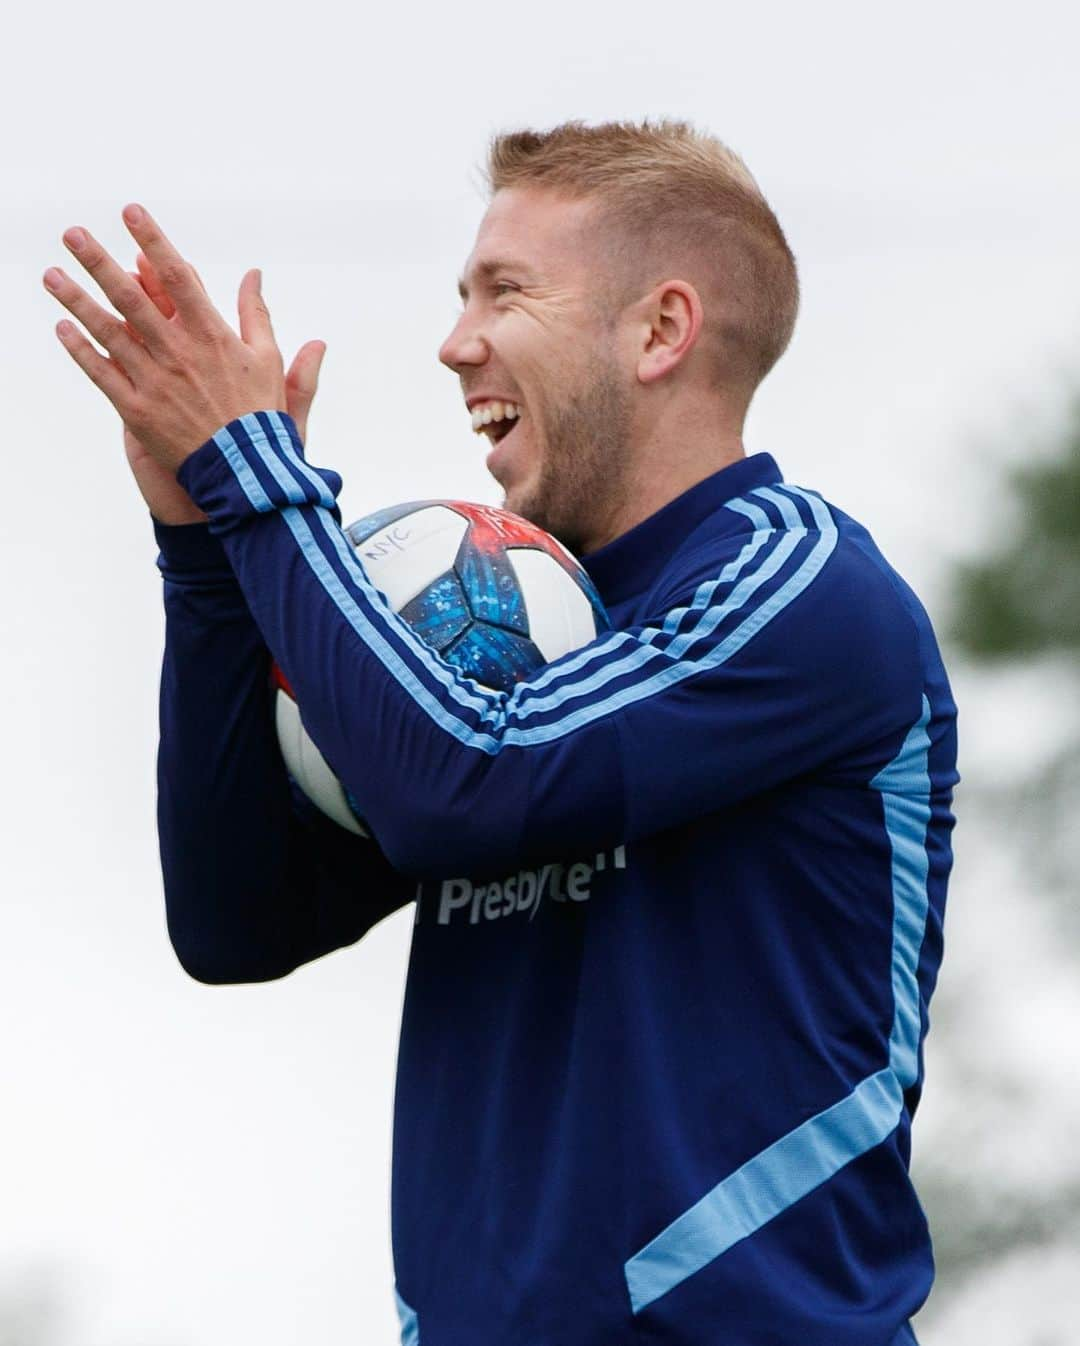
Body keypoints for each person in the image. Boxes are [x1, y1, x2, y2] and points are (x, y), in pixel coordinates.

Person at [44, 120, 957, 1346]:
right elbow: (237, 919)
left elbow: (475, 779)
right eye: (458, 293)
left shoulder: (802, 585)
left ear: (660, 331)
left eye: (504, 292)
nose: (454, 340)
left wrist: (257, 479)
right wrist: (206, 553)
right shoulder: (509, 629)